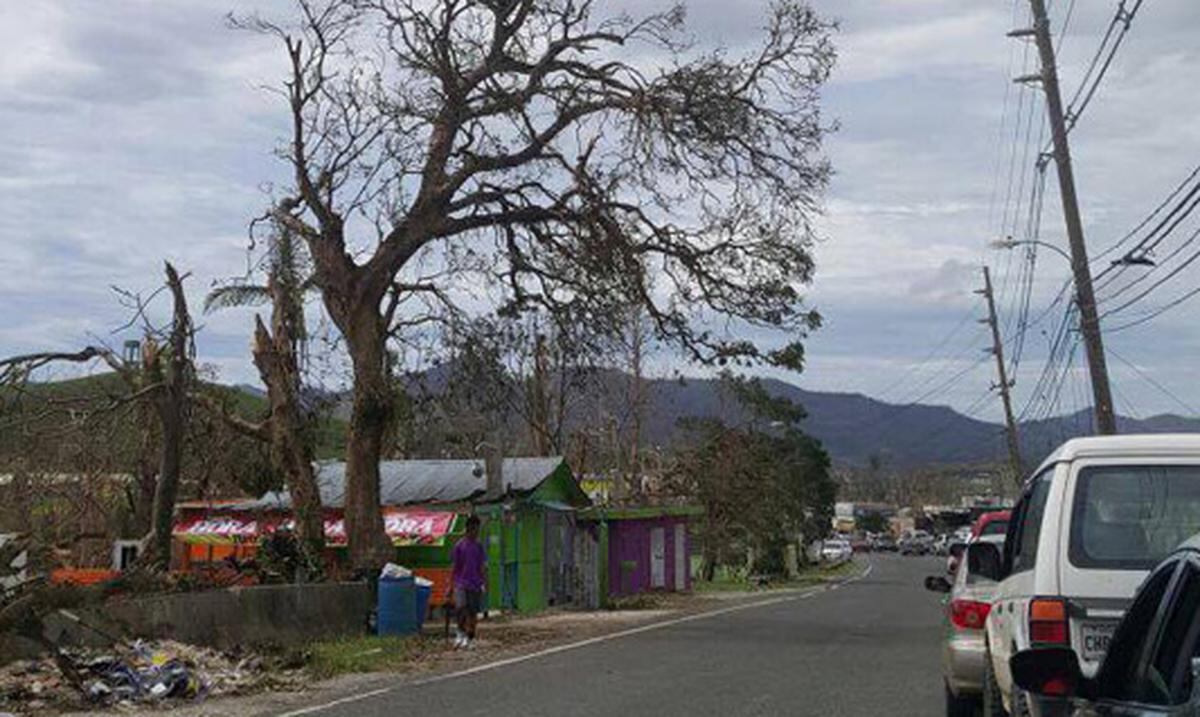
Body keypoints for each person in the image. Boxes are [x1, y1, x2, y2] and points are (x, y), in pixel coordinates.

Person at [450, 514, 487, 648]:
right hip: (461, 582)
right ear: (468, 529)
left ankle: (470, 637)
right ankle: (460, 633)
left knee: (472, 612)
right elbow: (455, 566)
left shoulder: (479, 546)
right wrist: (450, 585)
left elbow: (482, 566)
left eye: (477, 529)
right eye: (473, 529)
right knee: (461, 607)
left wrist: (484, 582)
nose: (476, 532)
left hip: (475, 583)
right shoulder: (460, 546)